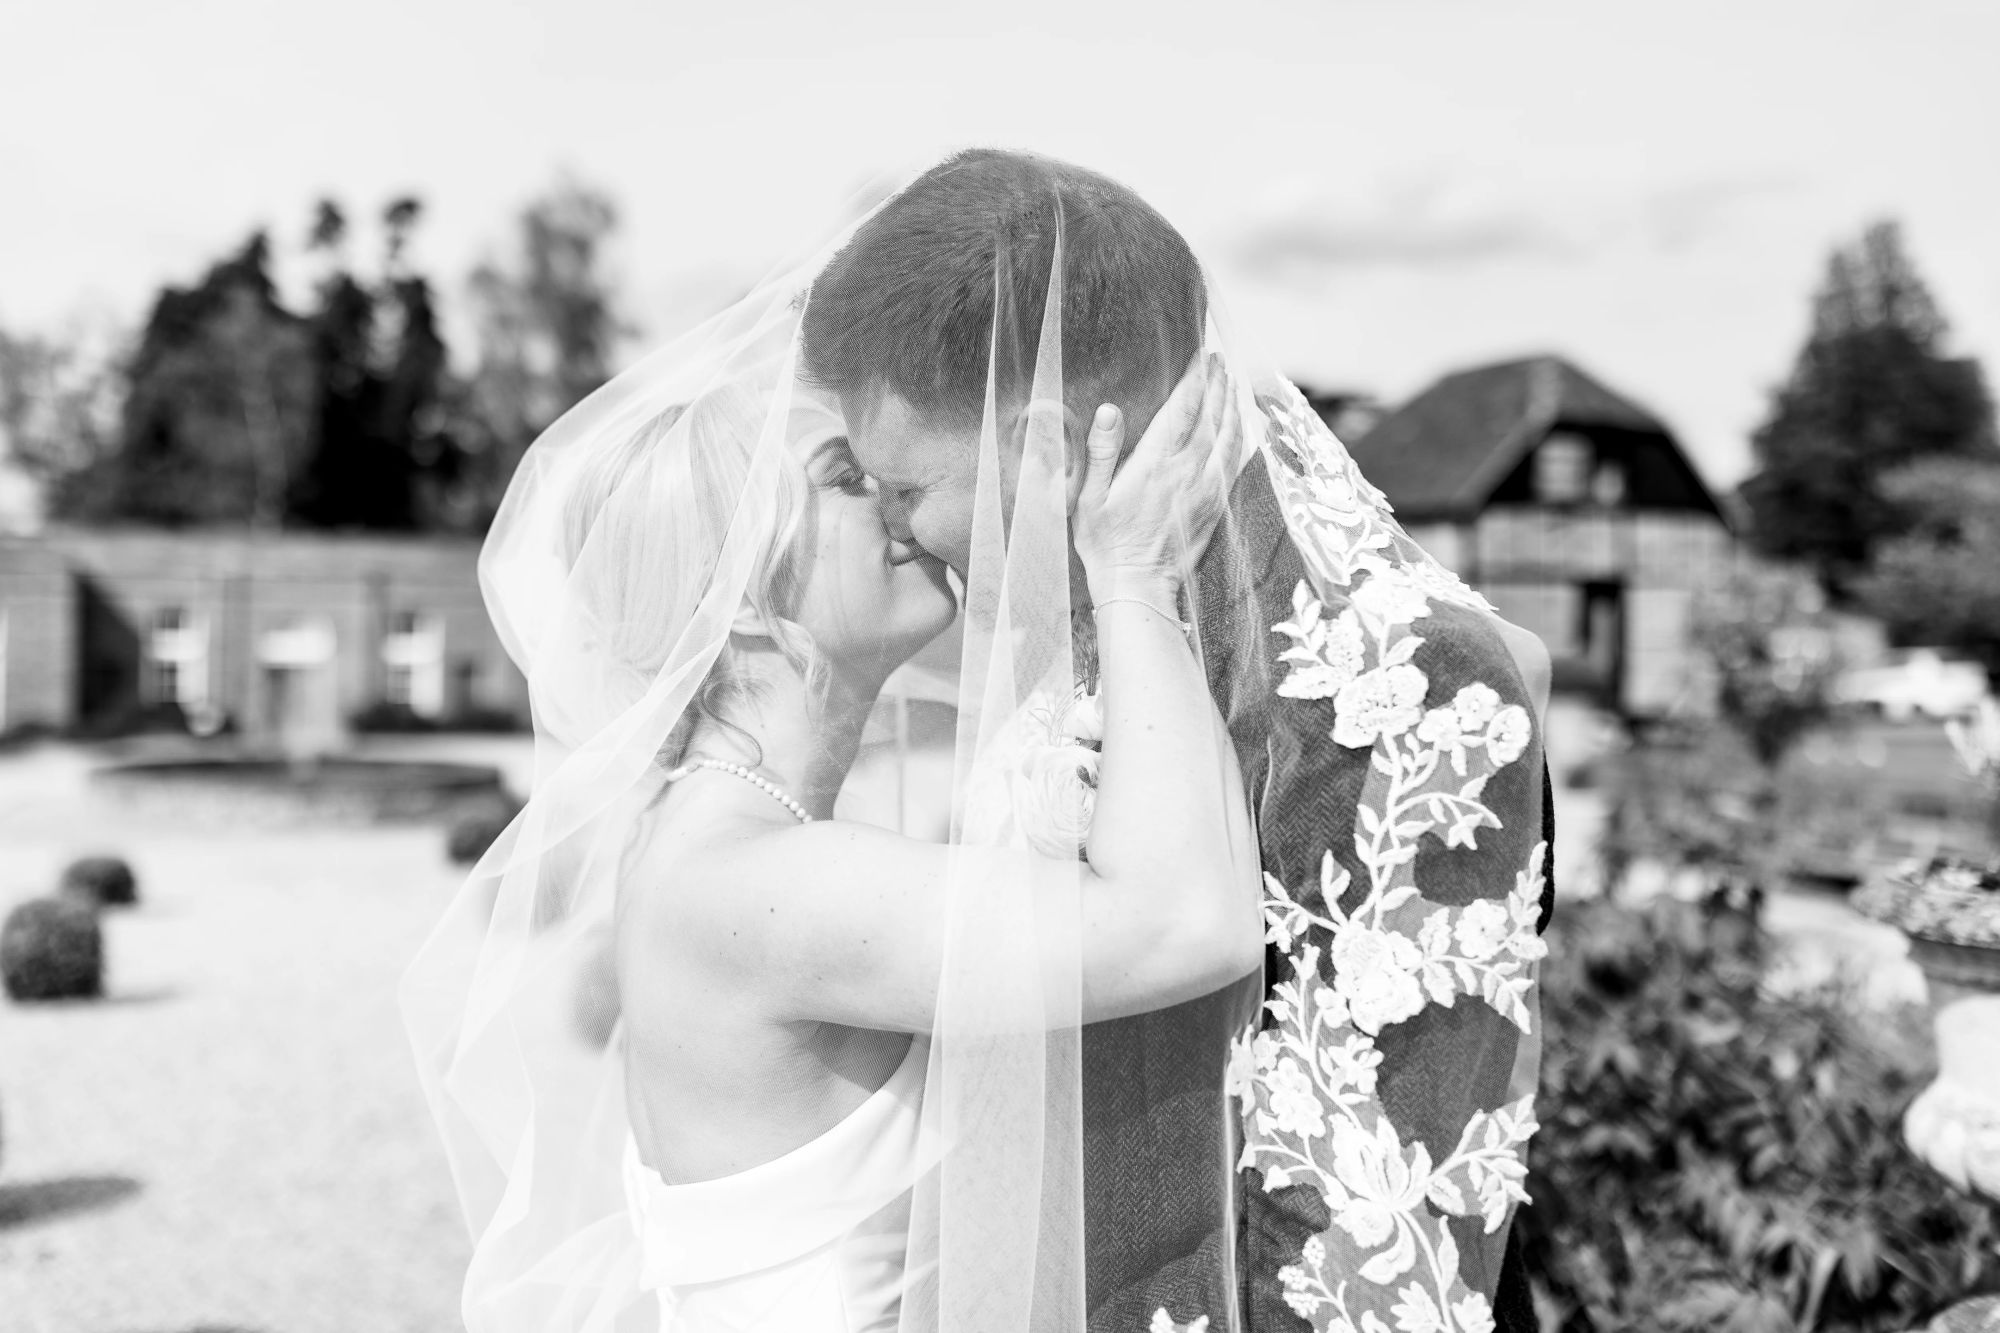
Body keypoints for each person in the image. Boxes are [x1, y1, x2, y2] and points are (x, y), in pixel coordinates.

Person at [401, 179, 1266, 1333]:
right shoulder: (752, 887)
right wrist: (1132, 571)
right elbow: (1184, 922)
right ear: (745, 602)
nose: (904, 516)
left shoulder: (723, 841)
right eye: (852, 486)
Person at [801, 149, 1555, 1333]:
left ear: (1044, 442)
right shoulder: (1104, 613)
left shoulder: (1398, 674)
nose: (889, 526)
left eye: (905, 485)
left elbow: (1377, 1213)